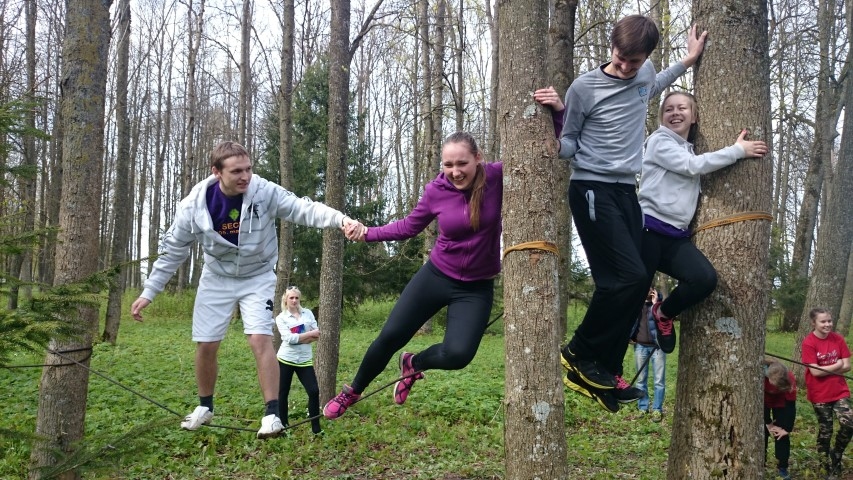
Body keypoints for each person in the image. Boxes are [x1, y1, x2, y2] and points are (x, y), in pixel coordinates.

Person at [323, 92, 565, 419]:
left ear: (478, 158)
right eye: (448, 164)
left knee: (458, 354)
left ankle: (414, 364)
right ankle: (352, 392)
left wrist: (559, 113)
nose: (455, 171)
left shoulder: (498, 176)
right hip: (436, 276)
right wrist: (368, 234)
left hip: (476, 287)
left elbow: (544, 156)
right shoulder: (436, 190)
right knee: (390, 335)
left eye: (461, 163)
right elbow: (409, 226)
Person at [130, 141, 362, 439]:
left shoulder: (263, 192)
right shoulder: (193, 206)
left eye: (248, 169)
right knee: (206, 342)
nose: (245, 176)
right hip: (216, 276)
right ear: (217, 172)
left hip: (257, 276)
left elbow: (303, 208)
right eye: (236, 171)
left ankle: (272, 415)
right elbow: (174, 250)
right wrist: (149, 291)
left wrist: (340, 219)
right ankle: (205, 406)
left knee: (259, 339)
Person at [558, 14, 707, 411]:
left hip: (627, 191)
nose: (626, 68)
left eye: (635, 61)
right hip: (592, 187)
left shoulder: (645, 74)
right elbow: (568, 139)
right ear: (612, 47)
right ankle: (579, 352)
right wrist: (557, 124)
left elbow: (651, 85)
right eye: (621, 58)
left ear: (646, 58)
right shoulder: (584, 87)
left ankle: (601, 373)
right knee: (628, 275)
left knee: (630, 280)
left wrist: (688, 61)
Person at [637, 90, 767, 354]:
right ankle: (604, 367)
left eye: (682, 108)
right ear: (662, 117)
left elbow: (693, 164)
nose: (675, 113)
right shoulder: (659, 141)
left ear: (694, 116)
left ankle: (664, 314)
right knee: (631, 298)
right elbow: (692, 166)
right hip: (647, 229)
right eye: (669, 109)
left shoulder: (687, 148)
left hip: (675, 236)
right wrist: (737, 151)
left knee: (704, 279)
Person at [802, 308, 853, 478]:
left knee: (849, 422)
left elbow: (848, 365)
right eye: (823, 321)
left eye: (829, 321)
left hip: (839, 390)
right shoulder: (809, 342)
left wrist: (826, 368)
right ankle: (823, 463)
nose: (827, 324)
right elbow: (815, 373)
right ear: (813, 323)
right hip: (819, 393)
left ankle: (836, 454)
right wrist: (837, 365)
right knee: (826, 430)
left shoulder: (837, 338)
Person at [275, 286, 322, 435]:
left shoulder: (307, 313)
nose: (294, 300)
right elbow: (289, 339)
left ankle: (316, 429)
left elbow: (317, 333)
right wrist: (307, 334)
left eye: (296, 298)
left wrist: (298, 336)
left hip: (304, 360)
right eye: (291, 298)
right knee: (283, 393)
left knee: (314, 391)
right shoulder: (281, 318)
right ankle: (284, 426)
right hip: (285, 359)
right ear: (286, 300)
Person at [631, 287, 666, 422]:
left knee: (659, 381)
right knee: (641, 380)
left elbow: (665, 321)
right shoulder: (636, 303)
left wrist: (656, 303)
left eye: (649, 288)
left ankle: (657, 409)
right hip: (640, 346)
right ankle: (643, 407)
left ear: (652, 290)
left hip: (658, 347)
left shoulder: (660, 305)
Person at [764, 358, 796, 480]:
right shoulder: (760, 377)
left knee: (781, 434)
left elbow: (791, 406)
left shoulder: (790, 378)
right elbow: (759, 404)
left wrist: (787, 429)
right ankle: (761, 463)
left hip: (782, 402)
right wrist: (768, 422)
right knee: (762, 432)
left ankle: (782, 466)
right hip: (764, 400)